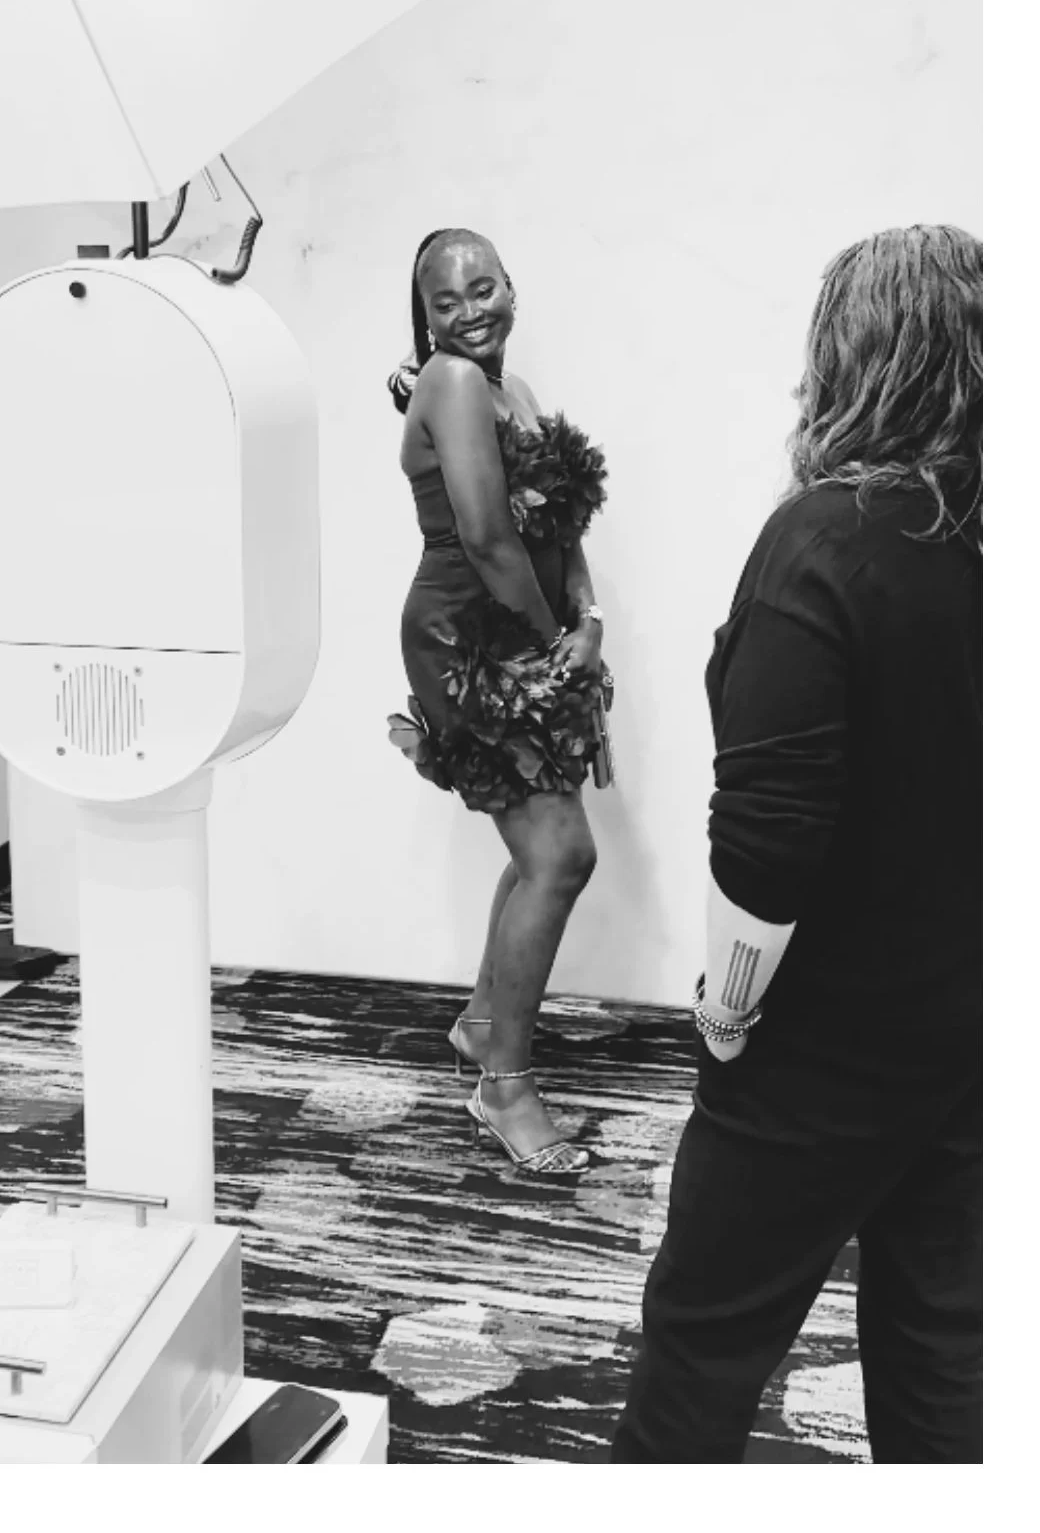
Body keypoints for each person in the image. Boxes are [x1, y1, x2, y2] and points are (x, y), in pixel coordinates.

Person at [612, 223, 982, 1464]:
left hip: (821, 1052)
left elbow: (767, 844)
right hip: (975, 1032)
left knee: (702, 1350)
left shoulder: (821, 540)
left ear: (850, 357)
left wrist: (724, 1008)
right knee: (944, 1361)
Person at [387, 228, 611, 1176]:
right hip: (474, 641)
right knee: (560, 852)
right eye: (448, 301)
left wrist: (589, 616)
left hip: (531, 629)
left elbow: (556, 524)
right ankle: (504, 1088)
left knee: (540, 852)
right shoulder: (453, 383)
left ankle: (485, 1027)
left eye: (485, 287)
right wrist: (551, 642)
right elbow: (485, 537)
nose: (471, 309)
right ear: (426, 319)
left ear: (513, 286)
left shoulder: (506, 390)